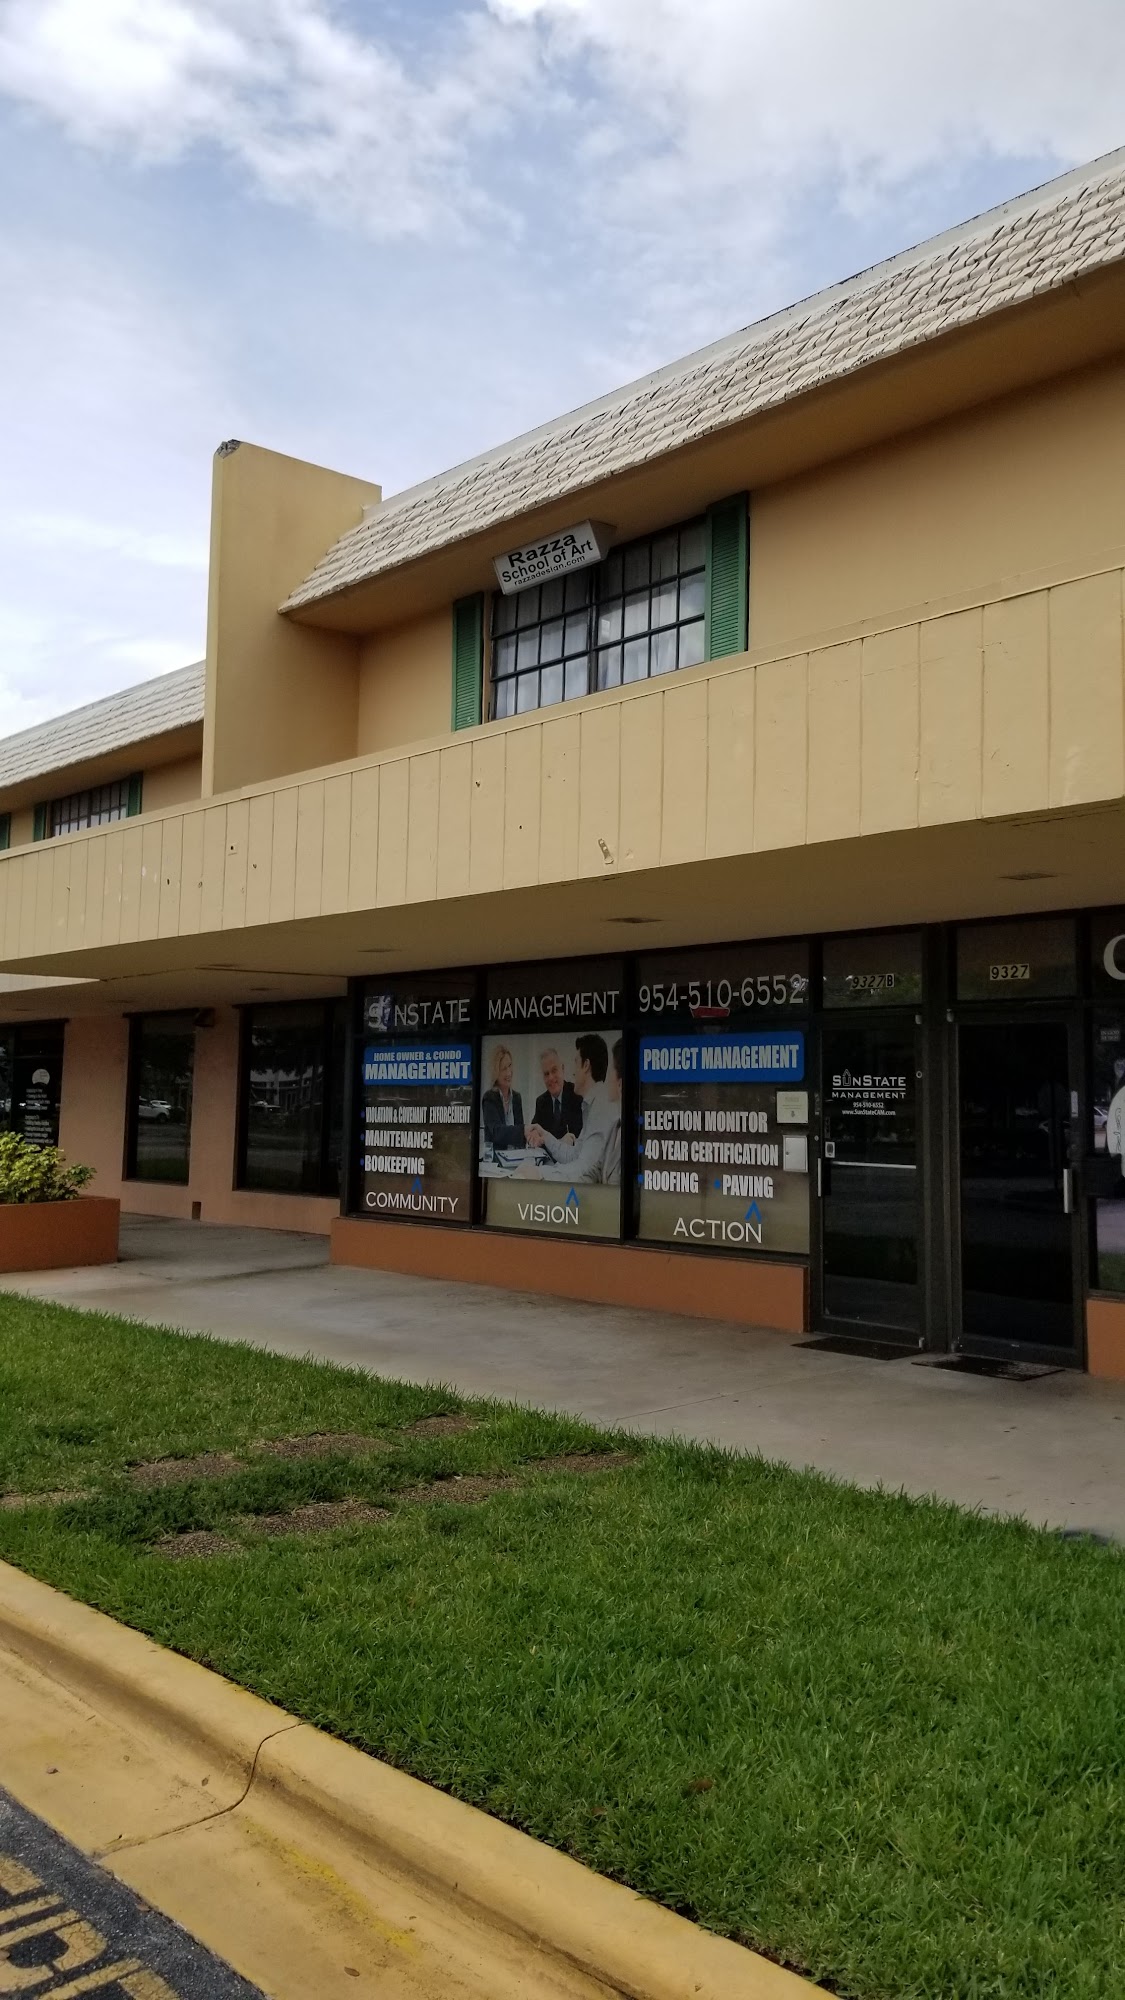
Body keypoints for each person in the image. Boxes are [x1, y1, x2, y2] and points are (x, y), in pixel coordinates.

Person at [520, 1034, 618, 1183]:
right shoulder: (593, 1104)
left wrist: (540, 1173)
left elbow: (585, 1168)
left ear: (586, 1065)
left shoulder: (601, 1108)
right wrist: (545, 1135)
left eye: (576, 1062)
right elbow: (574, 1155)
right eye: (546, 1073)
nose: (573, 1071)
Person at [532, 1047, 583, 1144]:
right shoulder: (541, 1102)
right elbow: (535, 1134)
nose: (551, 1078)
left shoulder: (577, 1096)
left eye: (554, 1070)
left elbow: (580, 1137)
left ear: (562, 1069)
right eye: (546, 1074)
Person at [481, 1044, 525, 1151]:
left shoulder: (517, 1097)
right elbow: (497, 1133)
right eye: (504, 1069)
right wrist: (524, 1130)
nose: (509, 1072)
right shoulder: (489, 1098)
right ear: (496, 1072)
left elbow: (521, 1136)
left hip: (516, 1156)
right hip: (496, 1158)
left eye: (510, 1066)